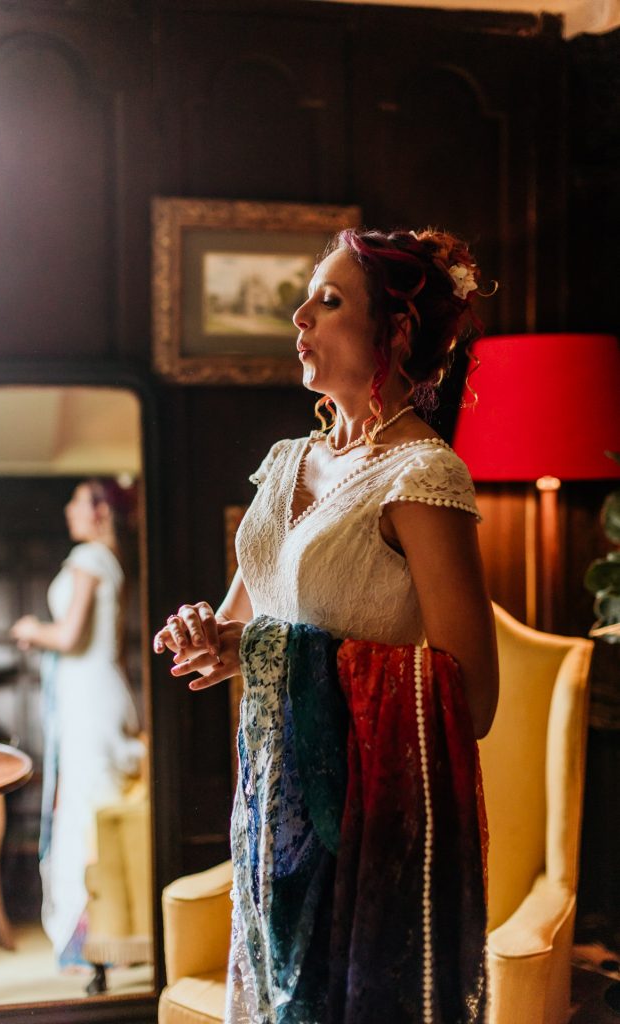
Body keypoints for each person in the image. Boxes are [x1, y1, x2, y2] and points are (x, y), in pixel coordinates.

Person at [154, 228, 499, 1023]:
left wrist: (264, 650)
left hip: (364, 821)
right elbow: (248, 619)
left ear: (395, 331)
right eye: (308, 298)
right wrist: (207, 632)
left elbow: (470, 694)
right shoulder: (285, 462)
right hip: (268, 802)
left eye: (330, 300)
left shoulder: (421, 474)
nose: (300, 314)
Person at [11, 478, 143, 973]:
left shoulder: (88, 559)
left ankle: (88, 942)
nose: (68, 508)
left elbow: (69, 636)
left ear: (100, 511)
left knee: (82, 816)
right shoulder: (111, 561)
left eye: (76, 500)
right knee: (90, 814)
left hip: (90, 702)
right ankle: (101, 933)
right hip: (96, 696)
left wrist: (31, 631)